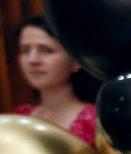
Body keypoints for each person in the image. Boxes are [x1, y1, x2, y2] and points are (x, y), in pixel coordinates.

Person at [13, 16, 97, 145]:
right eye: (24, 51)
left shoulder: (94, 121)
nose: (32, 60)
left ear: (75, 61)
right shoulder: (20, 117)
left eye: (46, 51)